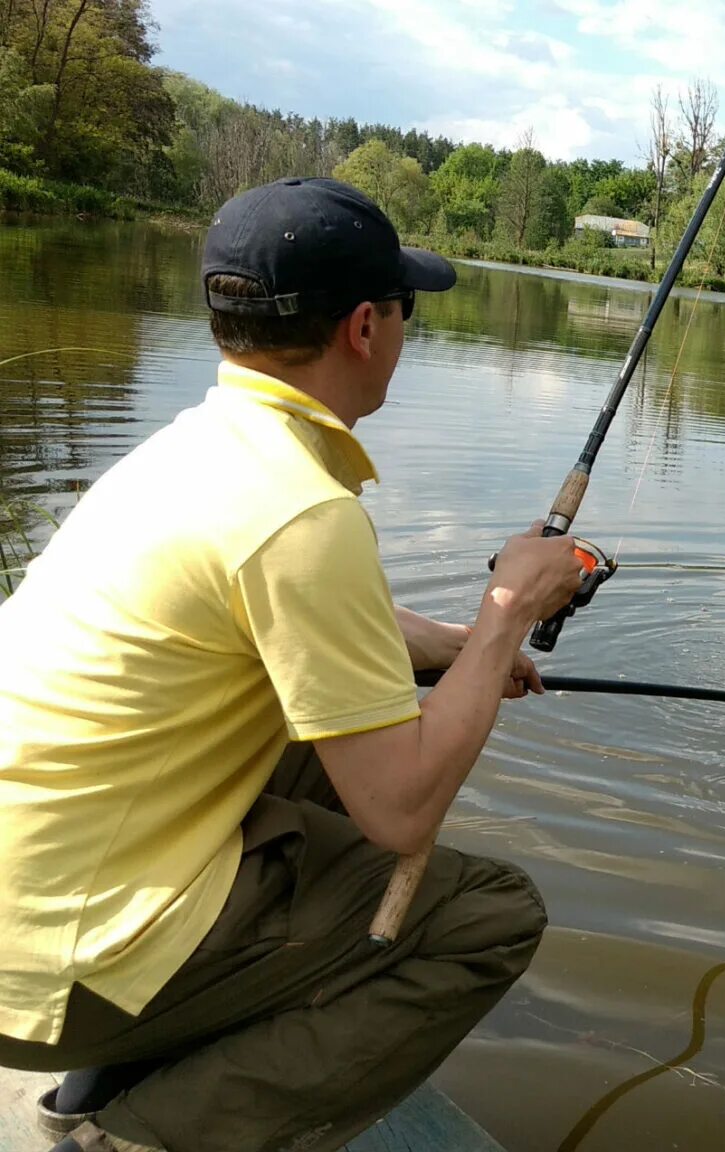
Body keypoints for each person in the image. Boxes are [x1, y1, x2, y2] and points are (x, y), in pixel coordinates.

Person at [0, 177, 587, 1152]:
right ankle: (148, 1137)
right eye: (406, 310)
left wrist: (452, 650)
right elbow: (400, 810)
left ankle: (116, 1072)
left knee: (331, 758)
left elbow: (283, 615)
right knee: (486, 914)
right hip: (46, 980)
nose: (408, 328)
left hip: (27, 914)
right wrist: (505, 616)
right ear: (364, 327)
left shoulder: (197, 453)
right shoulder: (304, 513)